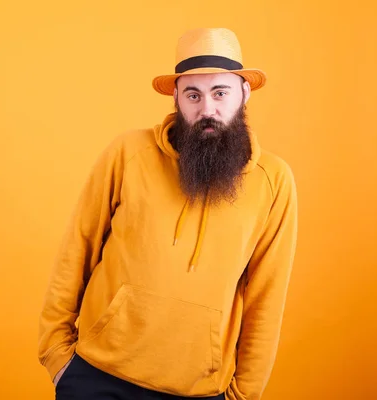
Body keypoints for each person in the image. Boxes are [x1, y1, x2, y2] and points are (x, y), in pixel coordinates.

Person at [38, 27, 298, 400]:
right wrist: (56, 353)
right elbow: (77, 249)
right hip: (96, 376)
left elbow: (266, 298)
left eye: (220, 93)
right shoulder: (128, 153)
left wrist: (244, 395)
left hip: (198, 389)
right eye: (193, 94)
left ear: (244, 93)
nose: (207, 109)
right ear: (176, 97)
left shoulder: (274, 181)